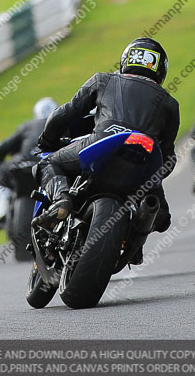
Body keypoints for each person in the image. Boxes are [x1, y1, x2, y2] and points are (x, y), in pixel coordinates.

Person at [34, 37, 179, 234]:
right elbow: (168, 157)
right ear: (161, 70)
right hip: (143, 161)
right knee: (162, 216)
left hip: (102, 141)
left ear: (126, 61)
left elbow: (65, 114)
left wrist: (47, 141)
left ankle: (61, 200)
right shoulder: (170, 103)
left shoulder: (104, 79)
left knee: (48, 162)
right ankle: (136, 232)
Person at [0, 97, 58, 231]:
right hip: (53, 166)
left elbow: (0, 148)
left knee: (1, 170)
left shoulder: (28, 125)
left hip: (25, 164)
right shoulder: (62, 123)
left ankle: (2, 206)